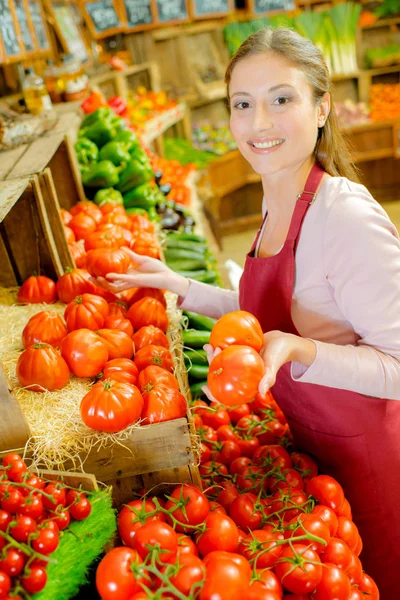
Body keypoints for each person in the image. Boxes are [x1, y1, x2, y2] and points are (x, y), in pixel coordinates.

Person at [96, 28, 400, 597]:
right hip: (313, 449)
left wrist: (300, 351)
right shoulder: (277, 193)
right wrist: (178, 286)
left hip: (371, 460)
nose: (259, 122)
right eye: (243, 104)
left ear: (321, 107)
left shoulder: (344, 217)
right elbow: (272, 311)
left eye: (282, 99)